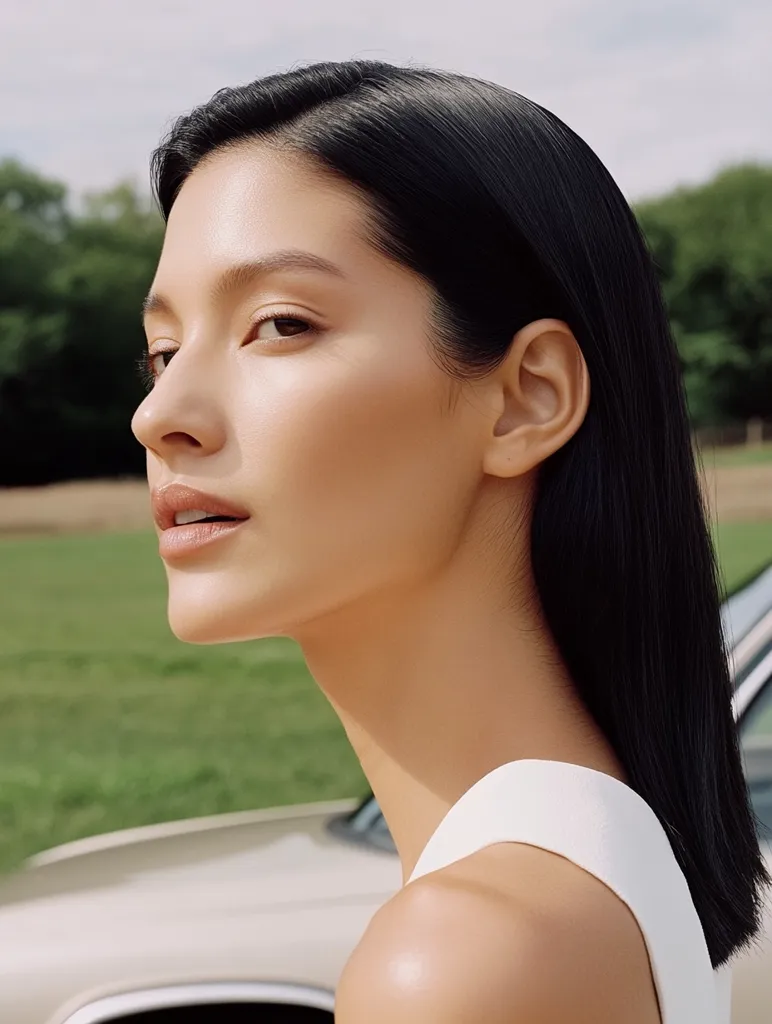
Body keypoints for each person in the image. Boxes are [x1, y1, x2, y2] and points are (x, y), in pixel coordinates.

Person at [131, 59, 769, 1023]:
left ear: (527, 397)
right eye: (163, 352)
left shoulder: (467, 957)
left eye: (280, 324)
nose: (160, 415)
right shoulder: (600, 854)